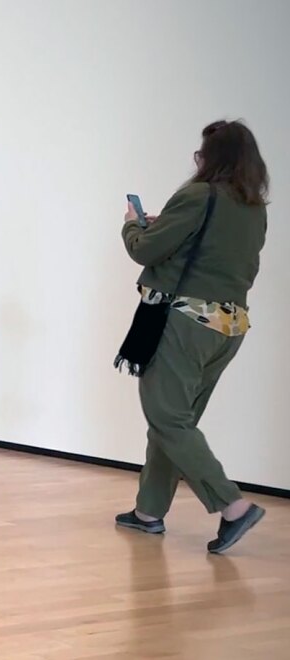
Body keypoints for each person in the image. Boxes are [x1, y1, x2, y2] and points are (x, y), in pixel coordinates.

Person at [115, 120, 269, 554]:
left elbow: (144, 250)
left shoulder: (199, 195)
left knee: (167, 418)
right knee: (176, 419)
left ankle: (233, 506)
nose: (197, 162)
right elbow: (231, 263)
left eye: (201, 155)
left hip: (183, 322)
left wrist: (132, 224)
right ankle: (148, 512)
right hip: (229, 328)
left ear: (212, 158)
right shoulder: (253, 206)